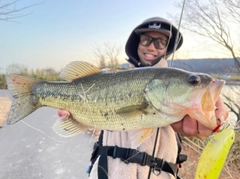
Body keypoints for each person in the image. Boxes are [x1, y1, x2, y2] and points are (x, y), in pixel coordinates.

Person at [58, 17, 229, 179]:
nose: (152, 47)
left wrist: (214, 117)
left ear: (167, 49)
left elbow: (212, 109)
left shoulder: (177, 85)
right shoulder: (111, 74)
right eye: (146, 39)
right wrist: (77, 117)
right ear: (137, 43)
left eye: (160, 42)